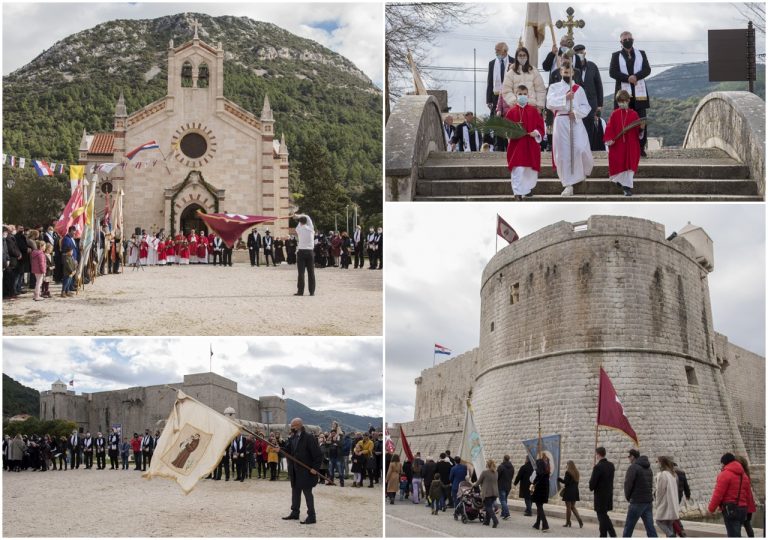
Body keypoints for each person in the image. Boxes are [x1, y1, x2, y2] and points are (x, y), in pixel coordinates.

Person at [546, 60, 593, 196]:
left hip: (575, 121)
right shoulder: (554, 87)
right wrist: (564, 98)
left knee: (580, 147)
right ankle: (568, 184)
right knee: (563, 153)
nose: (567, 74)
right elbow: (549, 103)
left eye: (569, 72)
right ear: (561, 72)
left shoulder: (579, 88)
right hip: (561, 121)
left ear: (573, 72)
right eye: (564, 72)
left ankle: (581, 173)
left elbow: (587, 107)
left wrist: (577, 113)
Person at [609, 31, 651, 156]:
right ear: (621, 42)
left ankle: (640, 147)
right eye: (624, 39)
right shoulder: (616, 56)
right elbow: (612, 72)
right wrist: (628, 78)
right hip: (623, 94)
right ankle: (623, 147)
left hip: (639, 94)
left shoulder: (641, 54)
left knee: (641, 120)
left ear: (633, 39)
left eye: (629, 38)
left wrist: (636, 77)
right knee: (623, 121)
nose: (627, 40)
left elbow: (647, 69)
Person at [505, 84, 545, 199]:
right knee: (518, 168)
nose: (522, 96)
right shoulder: (511, 112)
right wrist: (512, 132)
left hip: (530, 144)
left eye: (524, 94)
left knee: (529, 170)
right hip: (517, 145)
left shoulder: (534, 111)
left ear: (528, 95)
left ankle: (527, 189)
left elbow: (541, 127)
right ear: (516, 95)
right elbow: (506, 129)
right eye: (520, 94)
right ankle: (517, 192)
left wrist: (536, 132)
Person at [280, 418, 323, 524]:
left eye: (293, 426)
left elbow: (318, 455)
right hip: (295, 471)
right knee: (295, 493)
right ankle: (295, 513)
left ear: (299, 425)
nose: (292, 428)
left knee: (307, 494)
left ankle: (312, 516)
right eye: (291, 426)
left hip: (306, 471)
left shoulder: (309, 438)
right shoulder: (292, 437)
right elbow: (288, 451)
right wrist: (279, 449)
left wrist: (315, 468)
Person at [604, 90, 642, 197]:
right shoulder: (614, 114)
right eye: (620, 101)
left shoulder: (634, 114)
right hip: (618, 145)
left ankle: (627, 188)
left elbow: (638, 130)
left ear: (629, 101)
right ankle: (621, 183)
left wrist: (641, 128)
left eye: (624, 101)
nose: (622, 103)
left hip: (631, 145)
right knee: (619, 163)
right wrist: (609, 138)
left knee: (629, 167)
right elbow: (609, 128)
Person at [708, 453, 754, 538]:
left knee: (733, 535)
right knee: (737, 533)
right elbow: (748, 495)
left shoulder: (725, 474)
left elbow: (718, 494)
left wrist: (711, 509)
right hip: (743, 509)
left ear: (724, 463)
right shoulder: (744, 475)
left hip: (731, 510)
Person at [571, 44, 604, 151]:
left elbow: (599, 85)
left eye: (582, 52)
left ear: (585, 53)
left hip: (591, 104)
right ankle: (578, 150)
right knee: (578, 128)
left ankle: (588, 150)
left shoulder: (592, 66)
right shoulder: (572, 69)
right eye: (577, 53)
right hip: (577, 104)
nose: (580, 54)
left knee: (589, 128)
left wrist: (599, 105)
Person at [500, 46, 547, 115]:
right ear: (516, 57)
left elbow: (540, 90)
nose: (522, 57)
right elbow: (506, 90)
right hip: (516, 108)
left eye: (524, 55)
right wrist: (514, 102)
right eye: (520, 55)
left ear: (527, 56)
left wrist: (539, 106)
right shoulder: (511, 73)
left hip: (532, 107)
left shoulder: (534, 71)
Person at [623, 448, 658, 537]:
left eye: (629, 456)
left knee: (628, 528)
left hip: (637, 502)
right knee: (650, 528)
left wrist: (628, 497)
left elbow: (628, 484)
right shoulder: (649, 468)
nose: (628, 458)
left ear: (633, 457)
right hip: (648, 502)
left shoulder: (633, 467)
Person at [653, 456, 680, 537]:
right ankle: (671, 536)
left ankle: (671, 535)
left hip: (665, 503)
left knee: (658, 521)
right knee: (669, 524)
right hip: (672, 504)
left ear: (661, 463)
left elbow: (660, 491)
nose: (656, 464)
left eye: (657, 462)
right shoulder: (672, 474)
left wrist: (657, 503)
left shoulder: (663, 475)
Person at [487, 42, 514, 117]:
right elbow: (490, 82)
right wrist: (488, 100)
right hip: (496, 95)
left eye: (498, 50)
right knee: (496, 120)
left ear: (505, 51)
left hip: (510, 95)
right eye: (495, 50)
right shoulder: (492, 63)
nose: (496, 52)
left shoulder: (514, 61)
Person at [293, 213, 316, 296]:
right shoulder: (311, 229)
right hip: (310, 252)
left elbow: (303, 220)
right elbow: (307, 216)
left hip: (301, 252)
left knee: (301, 273)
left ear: (300, 222)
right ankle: (312, 291)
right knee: (311, 272)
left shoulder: (299, 229)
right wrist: (298, 216)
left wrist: (296, 217)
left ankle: (300, 291)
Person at [473, 459, 500, 528]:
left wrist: (474, 485)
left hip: (487, 493)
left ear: (487, 465)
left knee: (488, 508)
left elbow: (478, 482)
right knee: (489, 507)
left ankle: (495, 520)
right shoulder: (496, 472)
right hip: (495, 492)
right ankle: (487, 521)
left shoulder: (484, 472)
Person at [734, 456, 756, 537]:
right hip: (748, 506)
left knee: (738, 526)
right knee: (747, 525)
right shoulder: (746, 474)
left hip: (743, 506)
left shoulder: (741, 476)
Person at [559, 459, 584, 528]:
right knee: (572, 507)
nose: (566, 466)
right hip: (575, 491)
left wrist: (559, 479)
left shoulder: (568, 472)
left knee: (568, 508)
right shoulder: (577, 472)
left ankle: (567, 522)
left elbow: (566, 482)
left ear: (569, 465)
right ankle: (580, 520)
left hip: (569, 491)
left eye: (567, 464)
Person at [531, 455, 551, 532]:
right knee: (540, 506)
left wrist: (533, 483)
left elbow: (535, 480)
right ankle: (537, 523)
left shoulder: (539, 474)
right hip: (544, 492)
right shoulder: (546, 473)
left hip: (539, 492)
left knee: (539, 507)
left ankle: (545, 524)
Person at [497, 454, 514, 520]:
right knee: (505, 499)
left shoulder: (501, 467)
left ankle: (507, 514)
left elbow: (497, 476)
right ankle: (503, 513)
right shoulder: (512, 467)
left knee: (502, 500)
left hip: (501, 486)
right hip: (508, 486)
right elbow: (511, 477)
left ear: (504, 459)